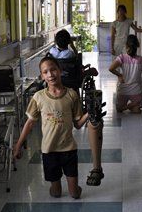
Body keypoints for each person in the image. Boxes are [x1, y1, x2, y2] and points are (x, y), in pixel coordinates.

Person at [14, 56, 89, 199]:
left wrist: (90, 114)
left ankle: (75, 188)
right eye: (45, 72)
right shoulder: (38, 97)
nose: (50, 74)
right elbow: (29, 123)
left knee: (74, 194)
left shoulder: (72, 95)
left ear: (60, 70)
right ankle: (54, 188)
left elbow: (78, 125)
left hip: (69, 150)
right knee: (56, 193)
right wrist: (18, 145)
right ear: (42, 76)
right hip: (49, 150)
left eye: (53, 69)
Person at [109, 34, 142, 113]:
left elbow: (111, 68)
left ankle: (123, 107)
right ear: (137, 46)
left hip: (123, 90)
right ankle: (133, 105)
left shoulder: (121, 58)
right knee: (137, 111)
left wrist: (120, 75)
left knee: (119, 109)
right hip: (136, 91)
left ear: (126, 45)